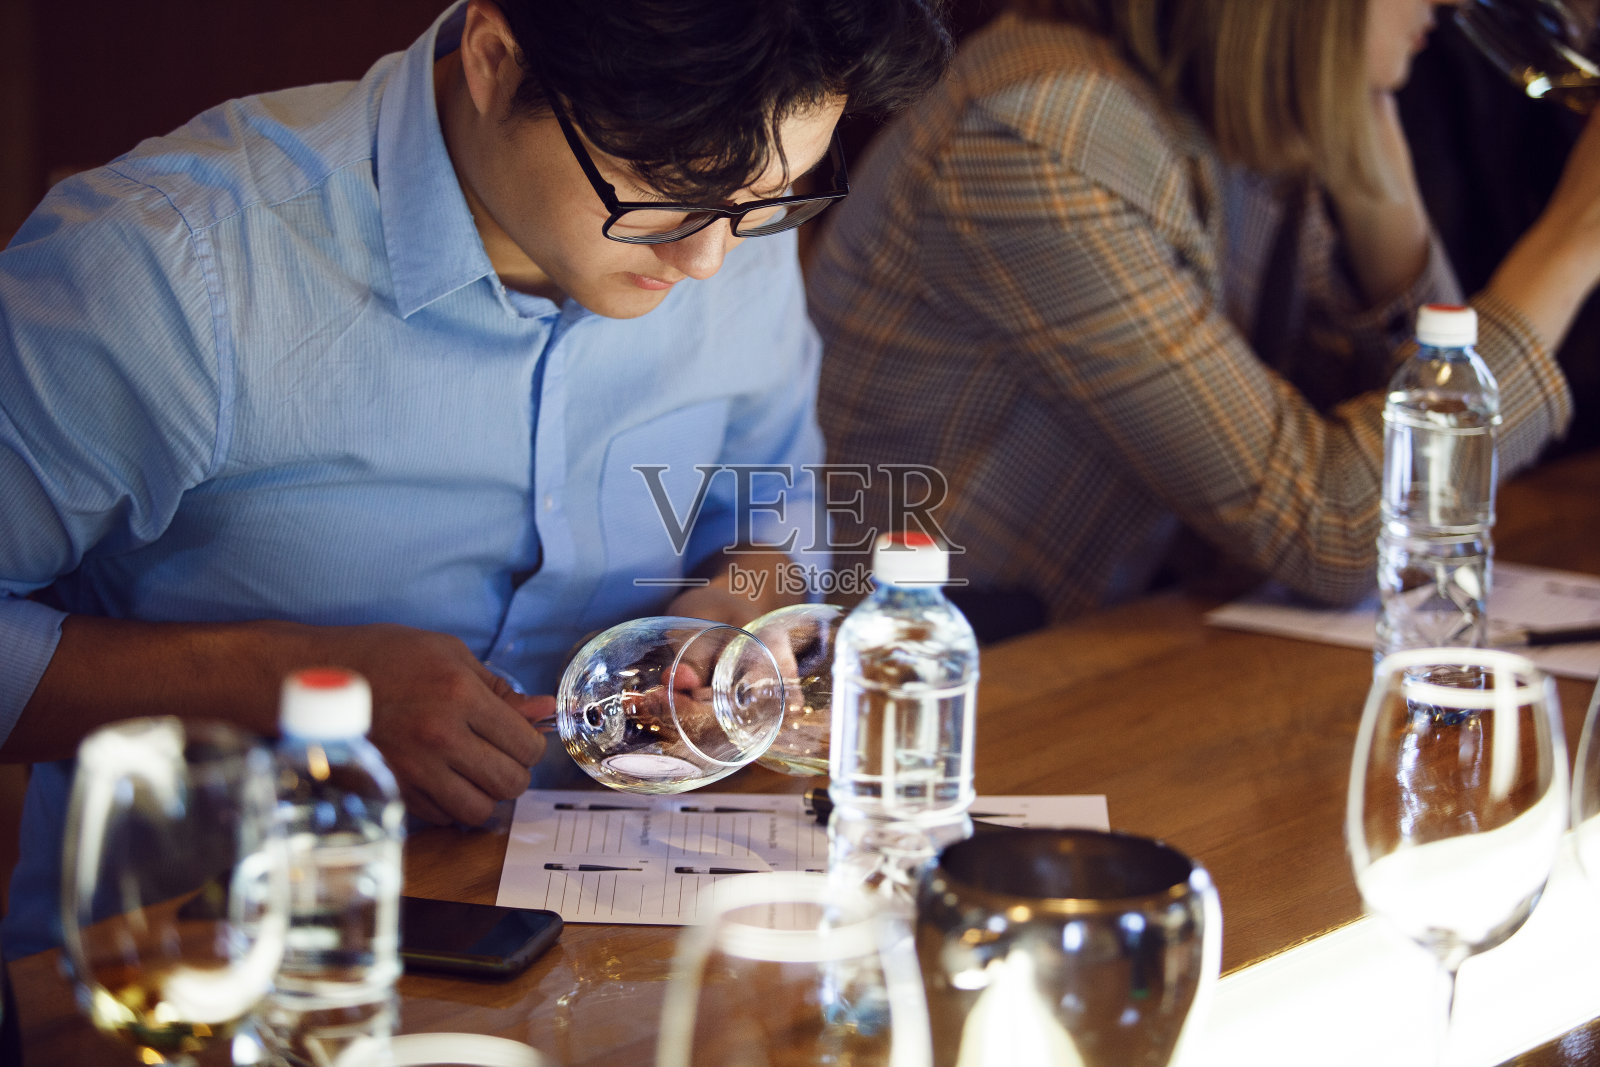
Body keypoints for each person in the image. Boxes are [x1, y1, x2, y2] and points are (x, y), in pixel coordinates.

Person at [0, 0, 950, 956]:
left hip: (608, 939)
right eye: (665, 187)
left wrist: (724, 626)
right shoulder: (172, 265)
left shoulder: (736, 217)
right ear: (499, 60)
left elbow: (777, 515)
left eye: (771, 192)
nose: (707, 259)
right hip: (203, 960)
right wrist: (294, 688)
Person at [808, 0, 1599, 636]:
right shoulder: (1045, 132)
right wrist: (1574, 239)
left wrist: (1377, 192)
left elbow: (1426, 474)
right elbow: (1343, 532)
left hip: (1092, 661)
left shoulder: (1221, 118)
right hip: (898, 694)